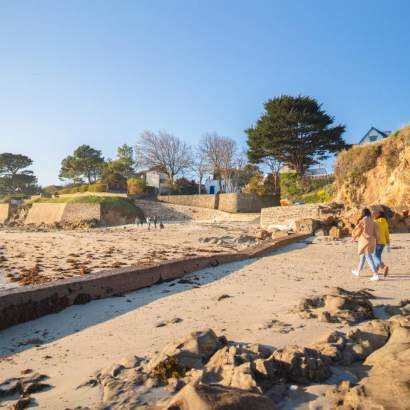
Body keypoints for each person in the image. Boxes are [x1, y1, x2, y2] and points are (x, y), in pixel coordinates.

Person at [351, 208, 380, 281]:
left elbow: (359, 230)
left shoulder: (363, 221)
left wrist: (354, 237)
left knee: (368, 257)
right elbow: (377, 232)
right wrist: (378, 241)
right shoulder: (373, 221)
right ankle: (357, 271)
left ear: (363, 213)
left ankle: (375, 274)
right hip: (372, 241)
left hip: (365, 241)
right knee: (362, 256)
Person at [373, 210, 390, 277]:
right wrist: (388, 243)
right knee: (378, 255)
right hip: (383, 242)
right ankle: (376, 270)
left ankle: (383, 266)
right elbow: (387, 233)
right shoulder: (385, 223)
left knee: (374, 256)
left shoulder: (375, 222)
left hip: (376, 241)